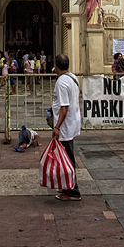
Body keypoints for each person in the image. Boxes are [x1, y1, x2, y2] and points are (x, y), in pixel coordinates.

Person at [51, 54, 81, 201]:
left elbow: (64, 107)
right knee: (67, 157)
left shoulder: (62, 82)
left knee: (67, 159)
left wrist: (57, 127)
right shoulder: (73, 77)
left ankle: (73, 191)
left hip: (65, 126)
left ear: (56, 66)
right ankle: (67, 186)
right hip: (72, 123)